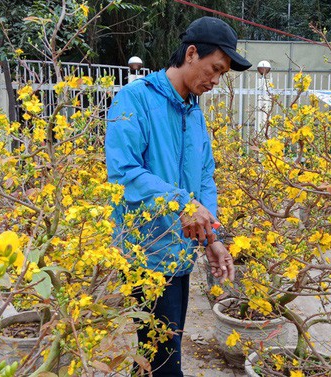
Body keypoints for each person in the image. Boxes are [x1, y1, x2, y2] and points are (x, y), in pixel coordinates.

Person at [105, 16, 251, 377]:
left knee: (159, 352)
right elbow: (124, 173)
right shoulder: (135, 99)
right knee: (165, 359)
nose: (216, 81)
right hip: (147, 250)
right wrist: (182, 204)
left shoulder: (194, 113)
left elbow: (204, 177)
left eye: (222, 75)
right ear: (190, 53)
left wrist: (212, 237)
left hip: (180, 253)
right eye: (215, 69)